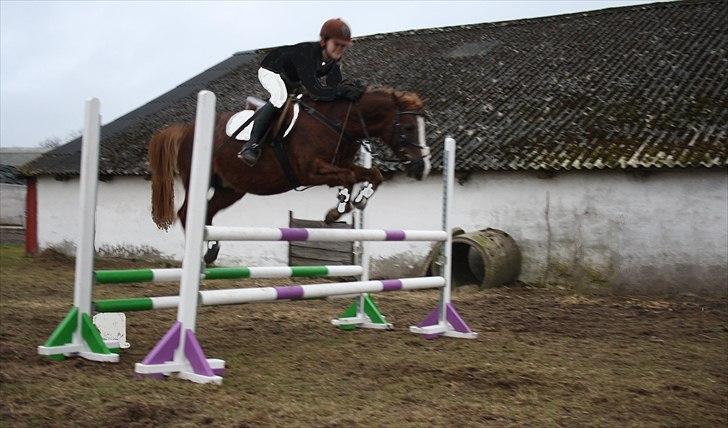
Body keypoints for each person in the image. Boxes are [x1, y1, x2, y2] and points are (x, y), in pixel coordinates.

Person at [238, 18, 364, 166]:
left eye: (344, 46)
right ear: (324, 41)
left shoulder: (334, 61)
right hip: (271, 70)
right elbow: (317, 91)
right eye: (337, 44)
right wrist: (340, 91)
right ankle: (251, 145)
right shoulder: (308, 54)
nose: (340, 49)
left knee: (301, 101)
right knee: (280, 97)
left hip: (291, 78)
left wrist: (350, 88)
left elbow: (334, 86)